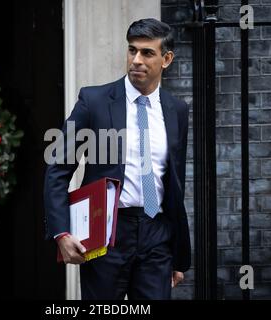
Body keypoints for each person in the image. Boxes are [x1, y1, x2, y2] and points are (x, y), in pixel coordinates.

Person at [44, 18, 191, 300]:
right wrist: (61, 232)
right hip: (108, 232)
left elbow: (174, 183)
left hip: (156, 234)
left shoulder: (177, 110)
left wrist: (177, 253)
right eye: (132, 50)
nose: (136, 60)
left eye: (147, 53)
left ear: (166, 59)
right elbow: (58, 168)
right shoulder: (94, 101)